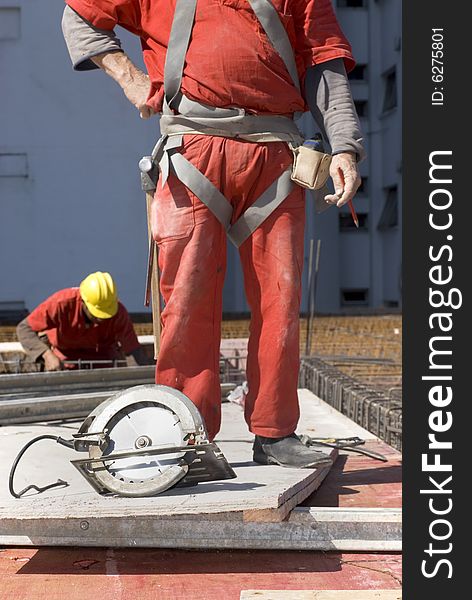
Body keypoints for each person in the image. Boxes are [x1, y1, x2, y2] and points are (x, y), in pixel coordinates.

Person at [61, 0, 365, 468]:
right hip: (192, 148)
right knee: (186, 299)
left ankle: (275, 431)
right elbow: (80, 16)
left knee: (278, 300)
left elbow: (324, 60)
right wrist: (132, 80)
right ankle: (186, 435)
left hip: (275, 155)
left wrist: (344, 146)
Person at [17, 271, 151, 370]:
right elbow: (24, 328)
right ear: (83, 301)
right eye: (97, 314)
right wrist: (46, 355)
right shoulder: (61, 303)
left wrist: (142, 379)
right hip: (63, 363)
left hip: (104, 365)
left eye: (105, 315)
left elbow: (133, 350)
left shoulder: (118, 312)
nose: (100, 319)